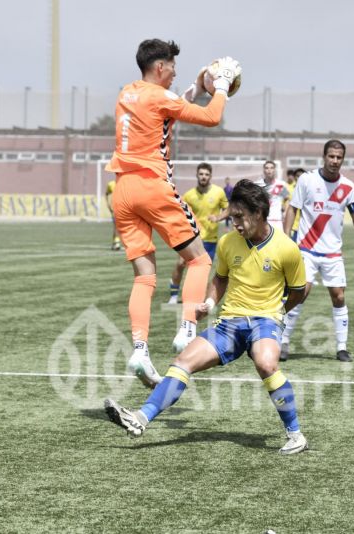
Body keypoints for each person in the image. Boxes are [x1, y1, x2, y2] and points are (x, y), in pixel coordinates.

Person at [104, 179, 309, 454]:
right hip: (230, 323)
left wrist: (279, 312)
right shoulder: (227, 243)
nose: (234, 223)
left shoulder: (287, 248)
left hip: (265, 320)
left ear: (258, 213)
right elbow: (220, 279)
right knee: (182, 361)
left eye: (239, 217)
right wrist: (210, 302)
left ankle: (295, 434)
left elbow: (299, 289)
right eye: (232, 216)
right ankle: (140, 419)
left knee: (267, 363)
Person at [106, 38, 241, 389]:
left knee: (143, 278)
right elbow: (212, 117)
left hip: (122, 191)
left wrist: (195, 88)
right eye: (172, 67)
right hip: (152, 185)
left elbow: (163, 117)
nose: (175, 73)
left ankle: (139, 349)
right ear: (160, 67)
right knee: (198, 261)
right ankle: (186, 331)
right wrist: (221, 87)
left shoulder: (127, 93)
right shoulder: (159, 95)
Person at [281, 140, 354, 362]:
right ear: (324, 157)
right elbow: (292, 209)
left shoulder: (348, 187)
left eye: (339, 157)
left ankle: (342, 347)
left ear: (343, 159)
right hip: (306, 249)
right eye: (331, 156)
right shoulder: (307, 180)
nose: (335, 161)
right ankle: (283, 341)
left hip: (333, 253)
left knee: (339, 296)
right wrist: (286, 240)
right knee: (300, 293)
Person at [167, 162, 229, 304]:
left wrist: (218, 217)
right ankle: (174, 295)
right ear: (197, 175)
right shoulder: (188, 196)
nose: (203, 177)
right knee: (180, 264)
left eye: (206, 174)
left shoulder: (219, 192)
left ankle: (196, 298)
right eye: (201, 174)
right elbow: (180, 214)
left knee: (203, 271)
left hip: (210, 240)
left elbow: (228, 209)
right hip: (192, 238)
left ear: (210, 176)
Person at [256, 160, 289, 229]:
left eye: (271, 168)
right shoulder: (257, 185)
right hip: (262, 220)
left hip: (277, 220)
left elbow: (287, 198)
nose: (269, 170)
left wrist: (284, 211)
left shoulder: (281, 184)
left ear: (274, 170)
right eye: (267, 168)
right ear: (264, 170)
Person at [286, 167, 305, 242]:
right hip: (293, 226)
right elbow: (283, 204)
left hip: (305, 227)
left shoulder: (310, 190)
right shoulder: (287, 188)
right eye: (297, 176)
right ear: (294, 177)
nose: (300, 178)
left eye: (302, 176)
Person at [105, 179, 122, 250]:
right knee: (116, 225)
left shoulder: (125, 183)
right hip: (115, 208)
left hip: (124, 207)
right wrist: (108, 205)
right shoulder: (111, 184)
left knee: (118, 226)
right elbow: (106, 194)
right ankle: (116, 242)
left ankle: (115, 242)